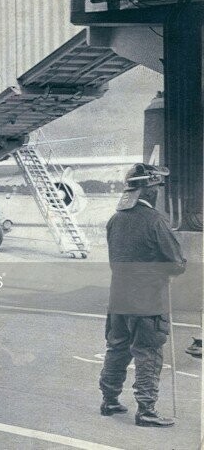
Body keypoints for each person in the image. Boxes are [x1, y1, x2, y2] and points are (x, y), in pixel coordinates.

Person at [99, 163, 186, 427]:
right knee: (148, 353)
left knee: (117, 349)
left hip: (119, 299)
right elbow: (176, 264)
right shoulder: (155, 221)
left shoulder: (115, 219)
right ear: (148, 190)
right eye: (157, 186)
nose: (158, 191)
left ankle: (109, 400)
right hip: (148, 302)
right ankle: (146, 410)